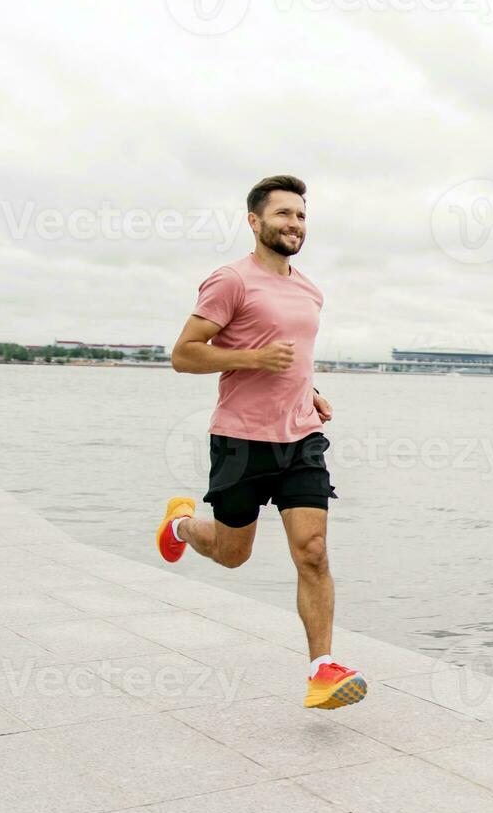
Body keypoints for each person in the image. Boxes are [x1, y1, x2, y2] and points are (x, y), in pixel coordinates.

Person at [156, 174, 365, 710]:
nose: (294, 224)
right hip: (239, 440)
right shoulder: (230, 281)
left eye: (300, 216)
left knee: (313, 552)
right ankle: (180, 525)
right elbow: (184, 354)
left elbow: (292, 357)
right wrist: (249, 358)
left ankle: (322, 670)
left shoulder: (310, 288)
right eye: (283, 215)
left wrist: (311, 390)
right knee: (232, 555)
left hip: (301, 438)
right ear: (255, 222)